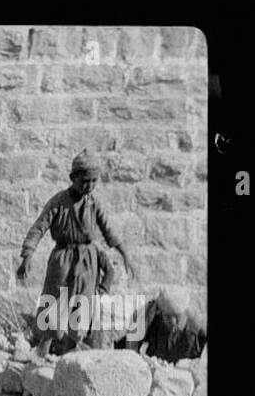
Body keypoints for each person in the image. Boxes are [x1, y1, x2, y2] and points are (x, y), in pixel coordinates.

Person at [17, 151, 137, 357]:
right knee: (54, 303)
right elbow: (39, 227)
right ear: (73, 178)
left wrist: (125, 254)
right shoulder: (59, 202)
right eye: (84, 181)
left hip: (88, 263)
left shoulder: (94, 203)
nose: (88, 186)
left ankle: (70, 355)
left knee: (81, 308)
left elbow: (108, 230)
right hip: (63, 260)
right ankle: (41, 352)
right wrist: (28, 255)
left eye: (93, 181)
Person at [139, 288, 204, 362]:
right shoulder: (153, 323)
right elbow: (129, 345)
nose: (173, 321)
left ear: (185, 313)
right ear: (161, 312)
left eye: (177, 316)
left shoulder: (199, 333)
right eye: (167, 316)